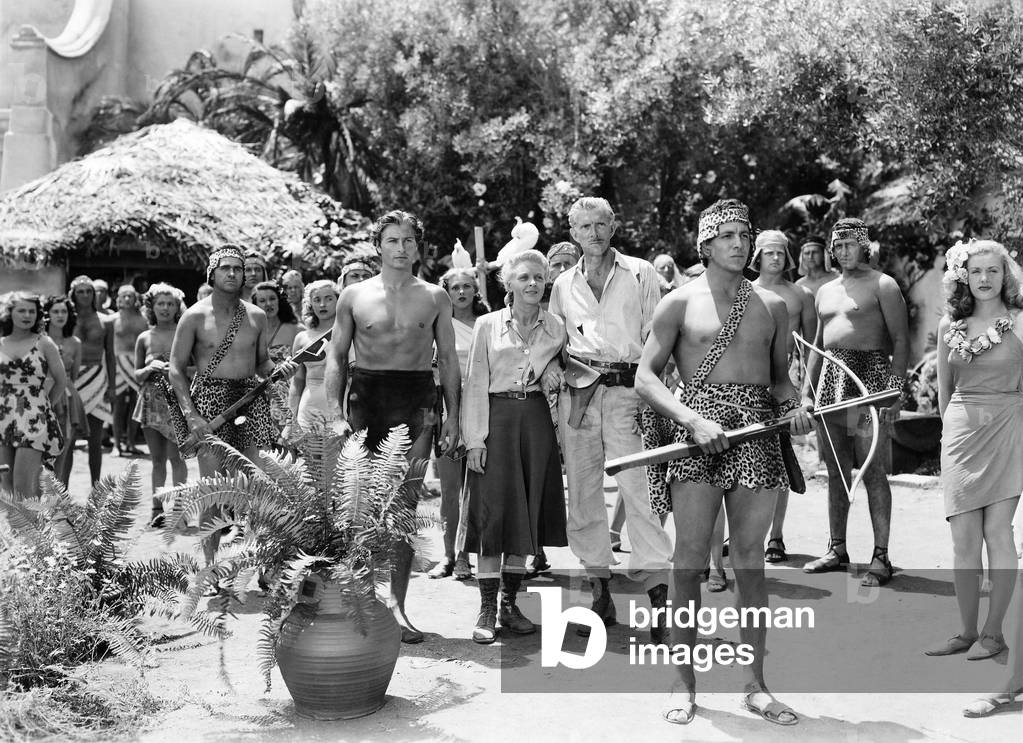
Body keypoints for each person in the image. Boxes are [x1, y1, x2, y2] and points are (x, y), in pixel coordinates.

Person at [635, 198, 814, 726]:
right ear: (706, 244)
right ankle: (682, 681)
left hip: (756, 434)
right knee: (688, 560)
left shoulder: (774, 306)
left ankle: (756, 684)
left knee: (751, 561)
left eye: (745, 234)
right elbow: (647, 378)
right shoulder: (678, 302)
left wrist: (793, 409)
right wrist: (692, 421)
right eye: (728, 235)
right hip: (698, 436)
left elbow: (780, 380)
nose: (740, 243)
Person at [324, 209, 461, 644]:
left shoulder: (436, 296)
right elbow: (335, 356)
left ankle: (399, 606)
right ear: (378, 246)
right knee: (358, 503)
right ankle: (361, 601)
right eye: (392, 241)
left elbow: (451, 361)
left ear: (417, 246)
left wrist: (454, 415)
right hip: (367, 399)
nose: (400, 249)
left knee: (404, 508)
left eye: (408, 241)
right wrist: (333, 411)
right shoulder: (353, 296)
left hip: (417, 402)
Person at [547, 196, 674, 643]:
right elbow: (557, 345)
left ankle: (659, 595)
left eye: (601, 224)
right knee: (582, 496)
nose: (594, 234)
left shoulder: (641, 273)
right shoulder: (562, 283)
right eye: (584, 227)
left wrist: (649, 392)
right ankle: (599, 590)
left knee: (639, 492)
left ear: (614, 225)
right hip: (579, 398)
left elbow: (657, 337)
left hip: (627, 393)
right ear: (573, 231)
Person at [459, 250, 568, 642]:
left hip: (536, 421)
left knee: (527, 513)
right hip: (497, 420)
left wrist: (556, 365)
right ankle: (486, 608)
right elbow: (474, 383)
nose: (533, 284)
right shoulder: (488, 325)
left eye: (539, 277)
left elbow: (569, 366)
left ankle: (509, 603)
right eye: (524, 277)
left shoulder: (556, 326)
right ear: (509, 283)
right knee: (494, 515)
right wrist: (475, 440)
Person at [923, 239, 1023, 663]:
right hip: (962, 433)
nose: (984, 279)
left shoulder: (1020, 323)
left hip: (1009, 427)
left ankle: (994, 632)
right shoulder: (951, 326)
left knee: (998, 533)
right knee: (963, 538)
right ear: (964, 276)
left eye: (993, 271)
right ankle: (965, 630)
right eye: (976, 271)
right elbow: (945, 393)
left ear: (1006, 275)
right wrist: (950, 438)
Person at [168, 246, 294, 565]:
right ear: (212, 274)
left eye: (239, 268)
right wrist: (191, 415)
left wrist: (278, 371)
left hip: (249, 402)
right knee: (213, 491)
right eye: (226, 268)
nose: (233, 273)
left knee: (257, 487)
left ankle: (259, 562)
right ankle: (210, 568)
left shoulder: (256, 316)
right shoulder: (194, 316)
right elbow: (175, 368)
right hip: (209, 403)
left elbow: (262, 362)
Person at [801, 218, 909, 587]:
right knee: (836, 471)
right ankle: (837, 548)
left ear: (865, 246)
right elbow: (817, 345)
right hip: (832, 385)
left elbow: (900, 341)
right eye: (838, 245)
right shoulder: (825, 291)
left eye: (850, 244)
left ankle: (881, 557)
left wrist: (894, 393)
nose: (843, 250)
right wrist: (805, 393)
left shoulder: (884, 284)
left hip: (870, 385)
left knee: (872, 470)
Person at [751, 231, 817, 564]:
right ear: (758, 256)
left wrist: (805, 391)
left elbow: (812, 348)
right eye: (769, 252)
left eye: (781, 253)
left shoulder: (801, 294)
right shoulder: (743, 290)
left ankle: (775, 535)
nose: (775, 258)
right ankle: (745, 532)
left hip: (784, 380)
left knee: (778, 459)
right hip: (747, 380)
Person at [428, 267, 488, 582]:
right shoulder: (437, 325)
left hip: (482, 411)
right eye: (455, 287)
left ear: (475, 290)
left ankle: (472, 554)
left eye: (467, 286)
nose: (461, 292)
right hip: (446, 411)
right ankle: (449, 555)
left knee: (478, 488)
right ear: (446, 291)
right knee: (450, 489)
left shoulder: (487, 324)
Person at [133, 283, 188, 527]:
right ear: (151, 308)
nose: (165, 308)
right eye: (160, 304)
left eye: (170, 304)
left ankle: (180, 508)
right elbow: (135, 374)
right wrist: (149, 368)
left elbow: (198, 367)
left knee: (177, 458)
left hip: (177, 399)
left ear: (177, 307)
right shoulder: (145, 337)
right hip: (151, 401)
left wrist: (176, 369)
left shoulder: (184, 332)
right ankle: (157, 509)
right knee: (157, 460)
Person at [0, 292, 66, 498]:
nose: (27, 315)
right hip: (3, 417)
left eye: (32, 310)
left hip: (33, 418)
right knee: (7, 485)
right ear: (10, 313)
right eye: (21, 310)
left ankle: (31, 530)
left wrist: (43, 407)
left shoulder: (44, 343)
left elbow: (61, 381)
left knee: (23, 485)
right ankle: (22, 530)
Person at [70, 275, 115, 485]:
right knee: (68, 439)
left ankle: (96, 488)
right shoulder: (67, 319)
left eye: (89, 291)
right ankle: (63, 491)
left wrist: (112, 387)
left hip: (97, 378)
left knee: (95, 440)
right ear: (73, 294)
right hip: (71, 378)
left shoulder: (107, 321)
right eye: (81, 291)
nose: (85, 295)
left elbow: (111, 355)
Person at [251, 280, 303, 440]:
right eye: (262, 300)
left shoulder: (296, 329)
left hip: (288, 396)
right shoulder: (249, 331)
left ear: (279, 300)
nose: (268, 304)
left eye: (272, 299)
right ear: (254, 304)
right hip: (259, 396)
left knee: (293, 449)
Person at [43, 295, 86, 486]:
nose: (60, 315)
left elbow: (73, 376)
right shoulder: (40, 340)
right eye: (55, 311)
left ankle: (59, 506)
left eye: (64, 311)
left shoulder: (75, 343)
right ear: (47, 314)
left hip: (67, 398)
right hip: (42, 396)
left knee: (63, 448)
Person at [289, 280, 340, 430]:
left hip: (341, 410)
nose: (322, 304)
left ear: (338, 300)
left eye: (329, 299)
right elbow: (297, 382)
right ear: (310, 304)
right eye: (317, 300)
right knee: (307, 454)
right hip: (309, 410)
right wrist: (290, 421)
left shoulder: (350, 334)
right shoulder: (302, 338)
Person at [113, 285, 147, 456]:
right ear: (118, 298)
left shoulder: (144, 319)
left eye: (130, 296)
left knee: (136, 404)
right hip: (118, 363)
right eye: (124, 296)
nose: (127, 299)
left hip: (137, 363)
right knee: (118, 405)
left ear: (136, 299)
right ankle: (116, 444)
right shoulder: (112, 319)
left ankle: (131, 443)